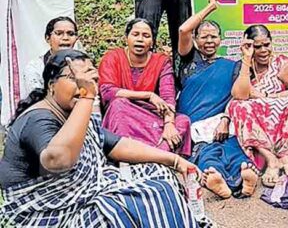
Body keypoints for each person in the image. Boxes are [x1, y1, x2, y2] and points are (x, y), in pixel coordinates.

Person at [0, 50, 209, 228]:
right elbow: (59, 160)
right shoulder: (38, 118)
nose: (84, 86)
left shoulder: (73, 112)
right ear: (51, 85)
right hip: (46, 215)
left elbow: (116, 144)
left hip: (79, 196)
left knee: (158, 174)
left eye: (90, 81)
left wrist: (174, 160)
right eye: (75, 79)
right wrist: (87, 96)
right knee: (123, 206)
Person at [176, 0, 258, 199]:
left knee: (232, 146)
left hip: (223, 121)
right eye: (204, 36)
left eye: (214, 36)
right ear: (195, 40)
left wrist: (247, 60)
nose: (209, 41)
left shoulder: (232, 66)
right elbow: (183, 29)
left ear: (221, 40)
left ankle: (244, 174)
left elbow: (240, 95)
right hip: (194, 123)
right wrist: (211, 7)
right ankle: (215, 176)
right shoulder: (188, 60)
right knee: (205, 150)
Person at [227, 25, 288, 188]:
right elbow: (240, 94)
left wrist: (270, 98)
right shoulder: (243, 66)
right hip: (257, 115)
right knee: (239, 106)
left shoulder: (283, 62)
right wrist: (247, 58)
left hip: (282, 113)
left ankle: (286, 155)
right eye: (257, 46)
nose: (263, 50)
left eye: (266, 45)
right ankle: (271, 159)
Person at [99, 18, 192, 156]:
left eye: (146, 36)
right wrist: (148, 95)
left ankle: (156, 156)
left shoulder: (161, 61)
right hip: (122, 114)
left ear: (152, 41)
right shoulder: (113, 57)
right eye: (135, 34)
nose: (140, 39)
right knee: (119, 105)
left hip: (149, 115)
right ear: (127, 38)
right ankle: (128, 157)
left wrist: (169, 123)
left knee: (183, 121)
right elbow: (107, 92)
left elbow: (168, 97)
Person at [23, 16, 78, 98]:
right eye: (59, 33)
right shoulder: (35, 67)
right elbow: (36, 98)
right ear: (47, 38)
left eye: (70, 34)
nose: (65, 38)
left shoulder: (82, 64)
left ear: (76, 38)